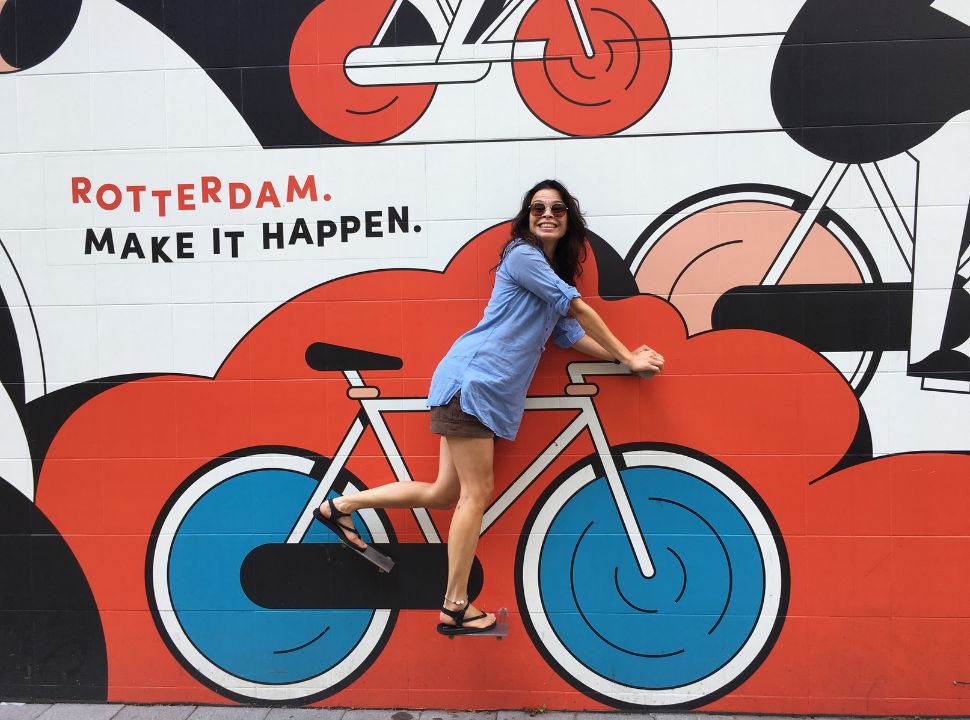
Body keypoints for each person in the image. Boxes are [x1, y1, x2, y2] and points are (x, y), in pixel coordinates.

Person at [314, 179, 664, 635]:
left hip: (477, 389)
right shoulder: (522, 255)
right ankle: (455, 604)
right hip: (474, 383)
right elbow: (577, 310)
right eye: (538, 207)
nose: (547, 214)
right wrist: (627, 356)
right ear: (527, 216)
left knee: (445, 495)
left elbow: (569, 336)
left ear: (568, 219)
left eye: (557, 208)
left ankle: (341, 507)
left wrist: (623, 361)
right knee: (476, 495)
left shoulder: (549, 275)